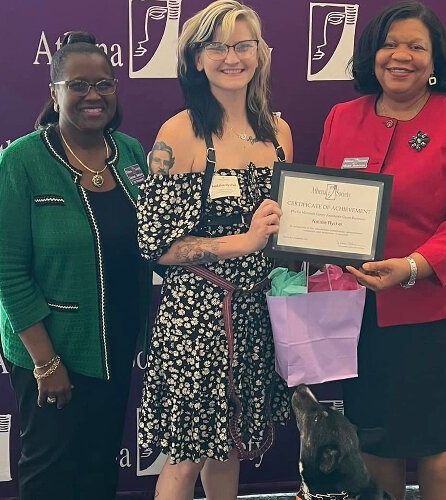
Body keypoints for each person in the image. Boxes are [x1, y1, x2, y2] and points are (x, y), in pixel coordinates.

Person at [316, 2, 446, 499]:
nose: (400, 55)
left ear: (436, 59)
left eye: (416, 46)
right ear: (371, 54)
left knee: (436, 439)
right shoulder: (342, 117)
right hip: (362, 308)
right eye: (389, 43)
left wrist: (413, 267)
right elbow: (323, 201)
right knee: (374, 434)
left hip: (441, 307)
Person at [136, 1, 293, 498]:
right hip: (196, 316)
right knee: (185, 456)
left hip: (256, 312)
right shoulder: (178, 133)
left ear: (260, 54)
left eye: (243, 44)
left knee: (230, 447)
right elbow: (156, 246)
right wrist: (242, 242)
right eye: (217, 46)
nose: (232, 57)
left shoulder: (279, 132)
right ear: (196, 59)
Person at [0, 31, 151, 500]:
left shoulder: (133, 154)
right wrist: (45, 362)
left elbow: (156, 238)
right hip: (55, 351)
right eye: (78, 85)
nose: (93, 95)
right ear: (54, 92)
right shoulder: (22, 161)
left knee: (100, 470)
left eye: (104, 84)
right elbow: (9, 272)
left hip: (116, 346)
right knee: (51, 474)